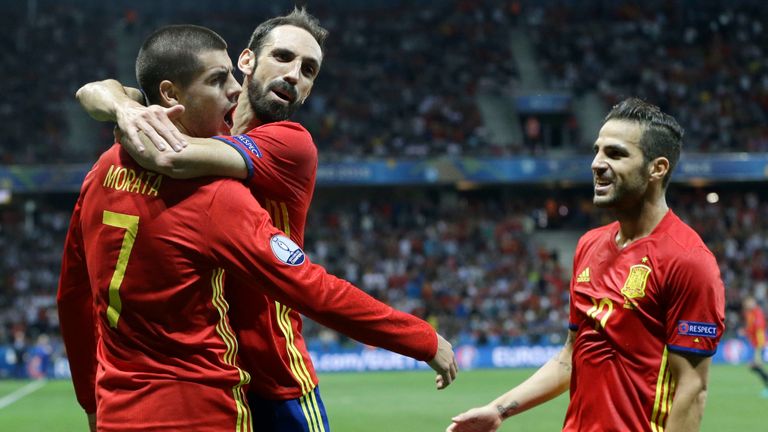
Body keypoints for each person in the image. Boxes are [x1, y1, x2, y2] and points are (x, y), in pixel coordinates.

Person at [59, 24, 456, 432]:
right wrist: (123, 107)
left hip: (275, 373)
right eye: (283, 57)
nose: (294, 74)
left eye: (309, 70)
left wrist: (127, 119)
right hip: (212, 373)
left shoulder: (288, 144)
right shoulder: (203, 119)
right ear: (245, 61)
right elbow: (97, 90)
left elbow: (170, 157)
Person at [446, 98, 725, 432]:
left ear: (657, 168)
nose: (597, 163)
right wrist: (499, 410)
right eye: (597, 150)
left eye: (616, 153)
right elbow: (570, 356)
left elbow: (691, 389)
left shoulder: (689, 260)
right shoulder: (589, 245)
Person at [743, 296, 768, 397]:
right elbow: (751, 328)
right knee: (753, 366)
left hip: (758, 344)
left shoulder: (757, 313)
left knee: (755, 365)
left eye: (750, 302)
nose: (748, 304)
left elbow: (760, 329)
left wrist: (761, 345)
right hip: (753, 343)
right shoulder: (749, 314)